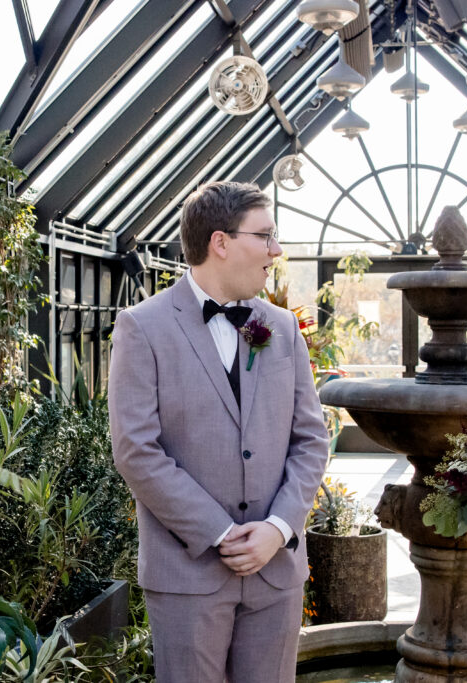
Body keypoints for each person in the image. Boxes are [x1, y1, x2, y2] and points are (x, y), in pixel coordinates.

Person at [109, 181, 329, 682]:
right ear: (221, 242)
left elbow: (311, 439)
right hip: (187, 573)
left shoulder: (283, 327)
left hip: (276, 573)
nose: (276, 251)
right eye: (266, 236)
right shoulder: (142, 327)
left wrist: (277, 529)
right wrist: (222, 534)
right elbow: (136, 451)